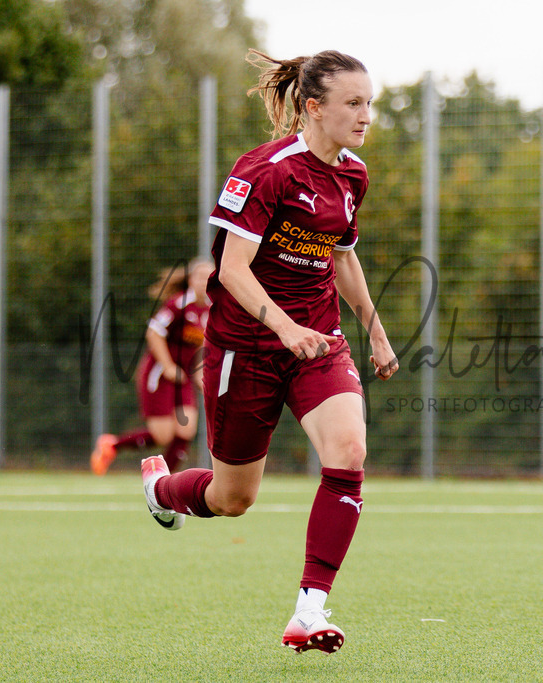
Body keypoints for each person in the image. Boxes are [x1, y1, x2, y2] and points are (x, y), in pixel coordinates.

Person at [139, 49, 398, 654]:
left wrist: (376, 330)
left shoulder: (353, 174)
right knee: (233, 499)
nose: (366, 116)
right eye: (353, 104)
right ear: (313, 107)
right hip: (246, 349)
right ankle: (161, 489)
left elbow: (342, 256)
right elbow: (232, 269)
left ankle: (309, 611)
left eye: (370, 104)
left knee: (350, 450)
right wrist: (283, 328)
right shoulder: (265, 170)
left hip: (318, 342)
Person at [90, 258, 211, 475]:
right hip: (158, 375)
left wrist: (200, 373)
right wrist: (167, 366)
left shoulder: (212, 309)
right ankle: (112, 445)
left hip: (181, 378)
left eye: (209, 278)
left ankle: (164, 483)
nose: (204, 282)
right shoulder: (178, 304)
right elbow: (154, 333)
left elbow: (202, 345)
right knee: (162, 436)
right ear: (191, 280)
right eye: (200, 277)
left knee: (186, 431)